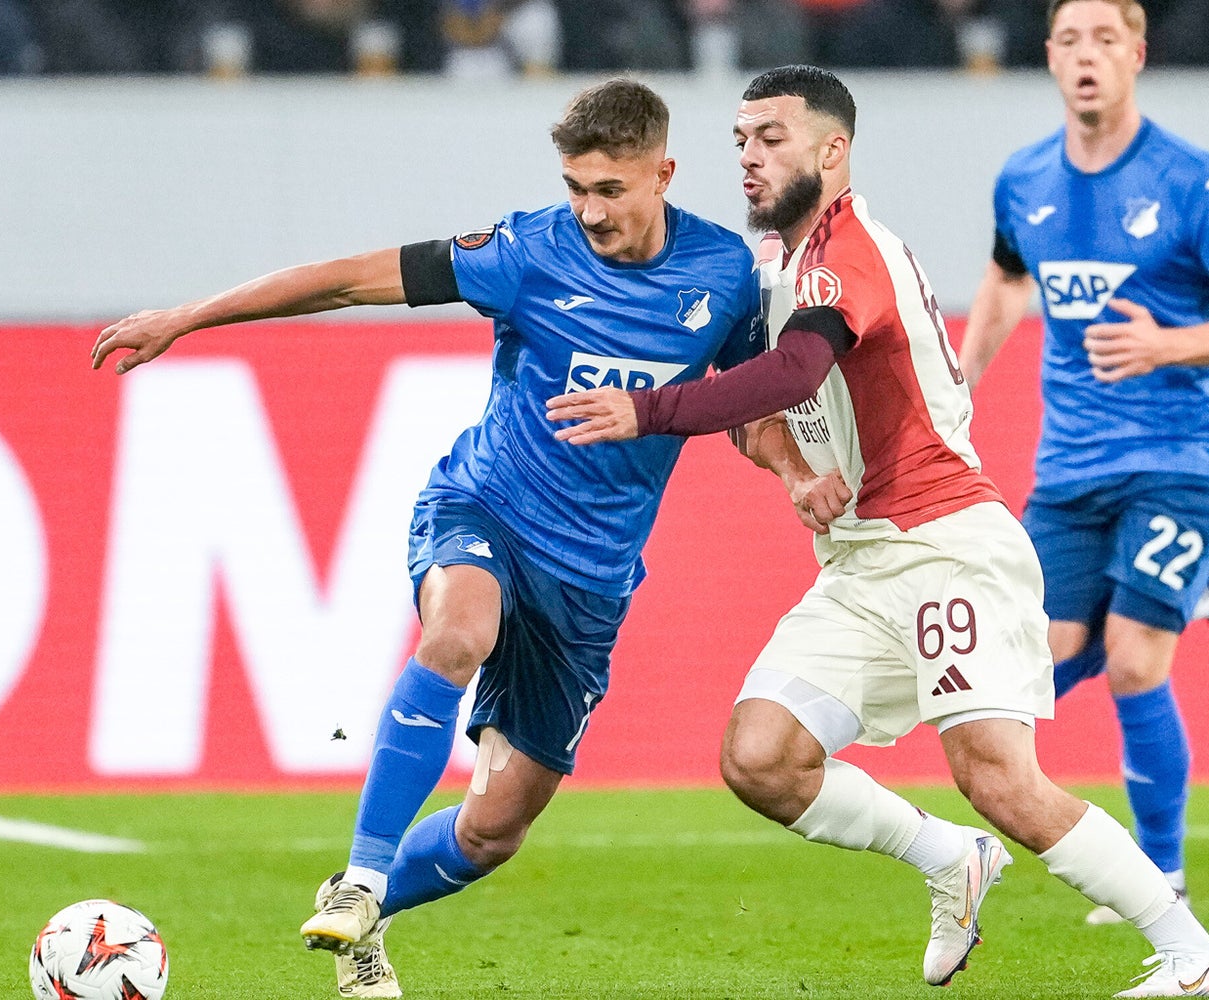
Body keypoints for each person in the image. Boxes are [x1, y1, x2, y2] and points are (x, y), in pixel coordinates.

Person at [548, 64, 1209, 997]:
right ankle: (946, 858)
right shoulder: (777, 269)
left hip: (945, 541)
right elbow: (760, 417)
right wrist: (797, 472)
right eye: (742, 141)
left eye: (774, 138)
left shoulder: (850, 252)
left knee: (998, 779)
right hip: (862, 560)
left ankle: (1195, 954)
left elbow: (795, 372)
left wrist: (645, 411)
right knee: (761, 757)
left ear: (833, 151)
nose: (752, 159)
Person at [91, 79, 763, 998]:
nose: (590, 210)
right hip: (486, 507)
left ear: (665, 172)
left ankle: (368, 912)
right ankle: (365, 874)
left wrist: (801, 473)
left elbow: (748, 405)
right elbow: (345, 280)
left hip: (593, 574)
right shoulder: (528, 250)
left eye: (611, 189)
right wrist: (187, 317)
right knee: (456, 633)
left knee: (494, 831)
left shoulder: (725, 273)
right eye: (576, 186)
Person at [954, 0, 1209, 927]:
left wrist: (1167, 345)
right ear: (1051, 60)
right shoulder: (1024, 179)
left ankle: (1166, 874)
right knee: (1039, 665)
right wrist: (958, 387)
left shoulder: (1192, 181)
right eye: (1070, 40)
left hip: (1182, 454)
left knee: (1139, 662)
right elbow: (1007, 278)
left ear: (1137, 55)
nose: (1087, 55)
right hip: (1070, 471)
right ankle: (1197, 583)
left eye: (1107, 39)